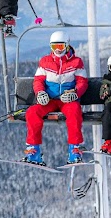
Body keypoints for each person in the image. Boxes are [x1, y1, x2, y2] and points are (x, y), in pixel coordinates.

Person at [23, 30, 88, 165]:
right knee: (32, 112)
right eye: (54, 46)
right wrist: (40, 93)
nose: (58, 50)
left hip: (66, 100)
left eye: (60, 46)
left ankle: (74, 149)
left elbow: (82, 82)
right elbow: (38, 81)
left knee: (74, 112)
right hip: (49, 100)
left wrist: (75, 93)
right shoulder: (45, 61)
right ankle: (33, 150)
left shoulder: (76, 62)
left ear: (67, 45)